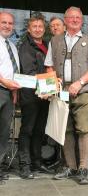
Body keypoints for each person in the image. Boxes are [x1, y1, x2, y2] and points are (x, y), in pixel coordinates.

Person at [44, 6, 88, 185]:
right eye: (71, 17)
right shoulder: (54, 40)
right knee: (66, 130)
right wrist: (52, 84)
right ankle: (70, 166)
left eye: (78, 17)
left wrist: (80, 83)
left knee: (84, 129)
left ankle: (84, 169)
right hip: (61, 93)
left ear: (82, 19)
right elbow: (49, 66)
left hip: (82, 92)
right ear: (65, 19)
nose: (75, 20)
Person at [18, 14, 50, 179]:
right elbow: (30, 73)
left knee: (39, 130)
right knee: (27, 130)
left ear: (44, 30)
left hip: (44, 95)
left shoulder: (45, 45)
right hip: (31, 95)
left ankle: (37, 162)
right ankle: (25, 165)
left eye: (40, 27)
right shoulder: (26, 47)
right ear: (29, 29)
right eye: (34, 27)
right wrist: (49, 83)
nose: (38, 29)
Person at [0, 12, 20, 184]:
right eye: (3, 22)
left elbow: (13, 71)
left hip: (8, 93)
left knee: (4, 133)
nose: (7, 26)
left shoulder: (12, 46)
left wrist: (14, 91)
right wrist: (4, 81)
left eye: (10, 23)